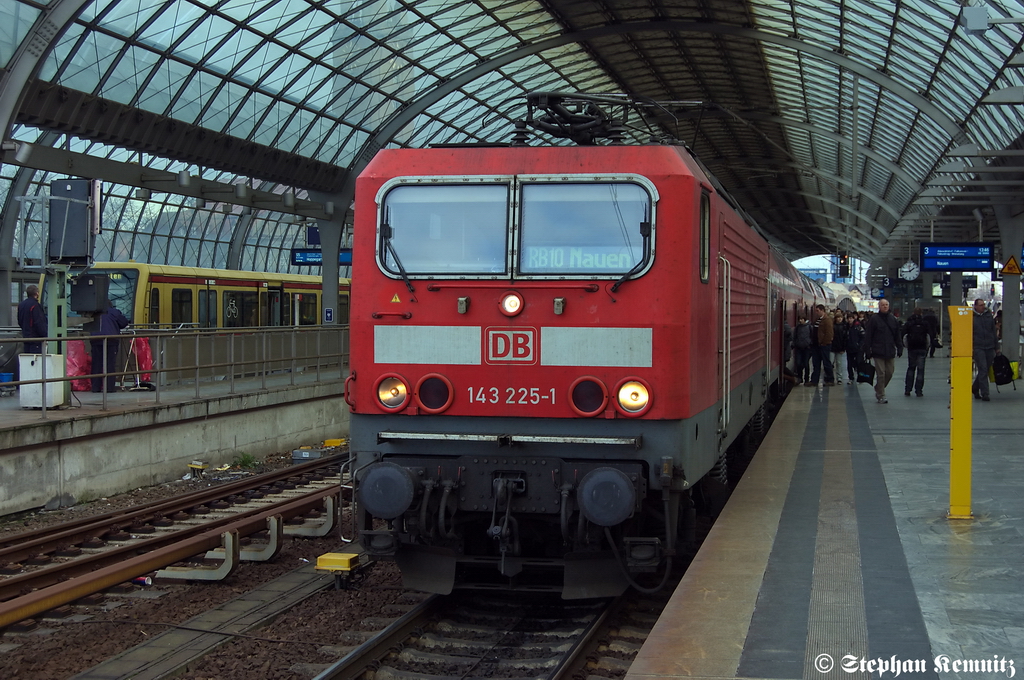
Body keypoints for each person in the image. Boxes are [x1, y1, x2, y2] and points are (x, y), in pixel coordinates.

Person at [863, 298, 902, 403]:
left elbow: (897, 335)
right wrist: (867, 350)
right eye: (883, 305)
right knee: (881, 374)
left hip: (890, 350)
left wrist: (900, 347)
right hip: (877, 351)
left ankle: (879, 388)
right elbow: (868, 336)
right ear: (879, 307)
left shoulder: (893, 319)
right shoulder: (874, 319)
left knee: (890, 372)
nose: (885, 306)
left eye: (886, 305)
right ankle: (881, 395)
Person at [90, 300, 129, 393]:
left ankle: (95, 387)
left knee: (96, 364)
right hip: (111, 340)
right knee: (110, 364)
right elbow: (124, 323)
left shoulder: (93, 312)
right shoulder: (114, 312)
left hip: (95, 339)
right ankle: (109, 388)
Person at [971, 298, 999, 402]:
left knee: (986, 370)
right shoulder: (971, 317)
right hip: (978, 347)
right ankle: (985, 393)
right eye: (981, 305)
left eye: (983, 305)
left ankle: (974, 387)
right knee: (982, 369)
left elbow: (993, 332)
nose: (983, 307)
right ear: (975, 306)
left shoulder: (988, 316)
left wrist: (997, 348)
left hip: (989, 346)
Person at [901, 307, 933, 397]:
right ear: (921, 313)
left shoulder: (909, 323)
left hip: (912, 348)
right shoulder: (925, 323)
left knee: (911, 368)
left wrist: (906, 346)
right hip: (922, 348)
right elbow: (929, 335)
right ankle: (919, 391)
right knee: (920, 370)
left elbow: (903, 335)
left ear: (913, 313)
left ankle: (908, 389)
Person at [17, 284, 48, 354]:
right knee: (36, 360)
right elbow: (39, 323)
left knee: (27, 359)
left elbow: (20, 321)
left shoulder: (21, 305)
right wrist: (45, 335)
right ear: (37, 293)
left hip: (26, 337)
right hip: (35, 339)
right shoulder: (35, 306)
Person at [809, 304, 835, 386]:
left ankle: (830, 379)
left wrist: (824, 343)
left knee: (826, 363)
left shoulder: (827, 320)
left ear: (822, 310)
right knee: (816, 363)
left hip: (824, 345)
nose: (816, 312)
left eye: (818, 311)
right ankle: (814, 380)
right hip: (816, 345)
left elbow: (829, 333)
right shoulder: (817, 320)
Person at [845, 312, 865, 382]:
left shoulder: (858, 326)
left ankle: (860, 377)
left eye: (851, 318)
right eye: (848, 318)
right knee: (849, 364)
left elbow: (863, 336)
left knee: (858, 362)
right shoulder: (846, 327)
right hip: (849, 348)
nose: (850, 320)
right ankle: (851, 377)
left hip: (857, 348)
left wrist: (860, 345)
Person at [792, 315, 812, 384]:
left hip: (807, 348)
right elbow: (794, 336)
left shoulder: (809, 327)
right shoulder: (797, 328)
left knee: (806, 364)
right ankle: (800, 378)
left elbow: (812, 336)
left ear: (804, 319)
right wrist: (794, 344)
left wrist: (810, 344)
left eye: (802, 319)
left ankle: (806, 379)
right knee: (798, 363)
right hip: (799, 348)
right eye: (799, 319)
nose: (800, 320)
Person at [831, 311, 847, 384]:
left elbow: (845, 338)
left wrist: (843, 348)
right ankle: (830, 377)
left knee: (839, 363)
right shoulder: (832, 326)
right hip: (832, 347)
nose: (839, 319)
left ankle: (839, 378)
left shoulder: (844, 327)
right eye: (838, 317)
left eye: (840, 317)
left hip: (840, 347)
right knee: (831, 362)